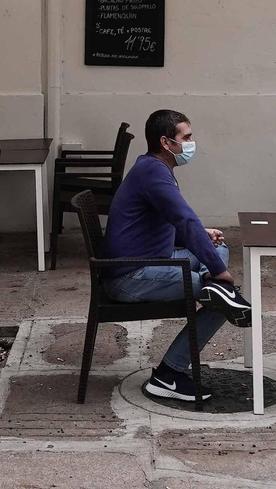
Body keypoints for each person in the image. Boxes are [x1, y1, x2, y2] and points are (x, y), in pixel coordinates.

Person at [102, 109, 253, 403]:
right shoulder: (153, 173)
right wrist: (219, 272)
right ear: (166, 142)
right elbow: (185, 220)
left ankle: (210, 285)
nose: (191, 142)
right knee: (223, 297)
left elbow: (174, 223)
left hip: (149, 262)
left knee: (219, 251)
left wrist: (203, 240)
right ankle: (168, 375)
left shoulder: (152, 167)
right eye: (186, 137)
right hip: (129, 276)